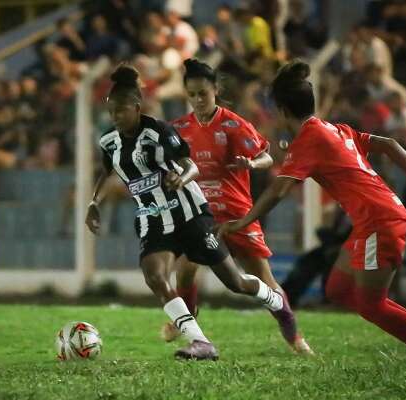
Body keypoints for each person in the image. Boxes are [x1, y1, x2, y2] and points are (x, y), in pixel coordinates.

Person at [218, 60, 406, 369]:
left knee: (371, 306)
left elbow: (278, 190)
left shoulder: (309, 140)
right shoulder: (334, 129)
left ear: (281, 110)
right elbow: (389, 144)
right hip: (372, 220)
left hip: (379, 220)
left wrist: (243, 221)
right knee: (336, 288)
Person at [86, 65, 295, 360]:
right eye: (111, 113)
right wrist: (94, 203)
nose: (115, 118)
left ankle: (275, 301)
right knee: (156, 276)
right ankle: (200, 341)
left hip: (190, 216)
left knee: (236, 282)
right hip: (153, 219)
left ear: (135, 107)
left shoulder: (160, 131)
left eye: (120, 111)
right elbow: (106, 172)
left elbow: (191, 165)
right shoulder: (109, 141)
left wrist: (181, 178)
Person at [161, 58, 312, 354]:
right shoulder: (178, 128)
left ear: (215, 89)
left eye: (202, 93)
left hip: (237, 212)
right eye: (191, 95)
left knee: (264, 279)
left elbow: (268, 157)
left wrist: (251, 163)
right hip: (201, 215)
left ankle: (294, 336)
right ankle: (188, 326)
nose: (197, 100)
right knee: (186, 270)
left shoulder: (234, 124)